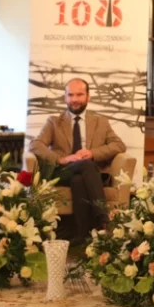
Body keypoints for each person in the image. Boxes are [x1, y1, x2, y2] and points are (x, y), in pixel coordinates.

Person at [29, 78, 126, 242]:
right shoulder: (54, 122)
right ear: (65, 97)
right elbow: (35, 145)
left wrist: (92, 153)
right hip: (63, 172)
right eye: (70, 95)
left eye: (79, 94)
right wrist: (62, 159)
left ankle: (81, 235)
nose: (74, 99)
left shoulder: (101, 122)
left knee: (79, 179)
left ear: (88, 96)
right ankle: (103, 220)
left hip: (89, 175)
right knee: (84, 167)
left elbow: (119, 145)